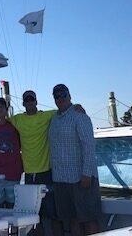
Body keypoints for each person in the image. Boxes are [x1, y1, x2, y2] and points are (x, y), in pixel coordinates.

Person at [48, 84, 101, 236]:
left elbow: (89, 146)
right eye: (57, 96)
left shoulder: (80, 116)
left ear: (69, 95)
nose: (60, 98)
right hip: (61, 179)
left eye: (63, 95)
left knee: (88, 218)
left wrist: (87, 174)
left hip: (81, 178)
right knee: (72, 218)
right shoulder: (54, 119)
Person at [9, 90, 63, 236]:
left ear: (36, 101)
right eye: (27, 100)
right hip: (29, 174)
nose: (30, 102)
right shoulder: (17, 119)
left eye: (32, 99)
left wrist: (78, 106)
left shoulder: (46, 116)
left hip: (47, 172)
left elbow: (64, 108)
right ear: (23, 103)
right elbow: (1, 120)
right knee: (34, 216)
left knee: (54, 213)